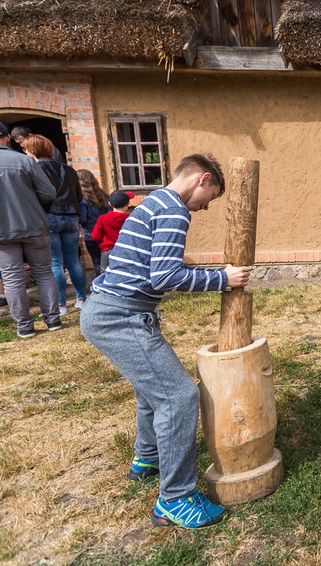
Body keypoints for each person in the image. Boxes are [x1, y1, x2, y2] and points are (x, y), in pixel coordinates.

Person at [80, 154, 251, 529]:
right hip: (119, 317)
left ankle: (147, 456)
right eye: (210, 196)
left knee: (151, 389)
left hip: (110, 311)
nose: (205, 206)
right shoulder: (174, 210)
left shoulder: (153, 201)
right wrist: (224, 279)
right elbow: (166, 277)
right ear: (202, 179)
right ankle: (175, 498)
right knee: (177, 397)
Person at [0, 121, 61, 337]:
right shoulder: (24, 160)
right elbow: (48, 193)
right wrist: (31, 205)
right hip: (34, 225)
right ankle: (53, 321)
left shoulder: (24, 161)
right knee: (44, 273)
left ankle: (25, 327)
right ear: (7, 138)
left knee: (12, 278)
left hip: (2, 231)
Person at [21, 134, 89, 315]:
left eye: (26, 149)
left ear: (32, 150)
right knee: (73, 261)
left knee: (55, 263)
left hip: (49, 216)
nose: (24, 152)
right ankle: (81, 299)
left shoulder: (34, 170)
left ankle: (61, 305)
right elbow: (80, 197)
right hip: (71, 217)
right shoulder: (69, 170)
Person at [77, 169, 110, 276]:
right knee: (108, 263)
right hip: (106, 234)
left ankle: (101, 286)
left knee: (97, 263)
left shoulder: (83, 200)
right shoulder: (104, 196)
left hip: (91, 236)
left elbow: (82, 219)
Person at [91, 190, 132, 273]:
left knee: (105, 274)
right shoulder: (130, 218)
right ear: (128, 204)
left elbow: (95, 236)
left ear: (110, 204)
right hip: (126, 250)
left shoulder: (103, 218)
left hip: (107, 250)